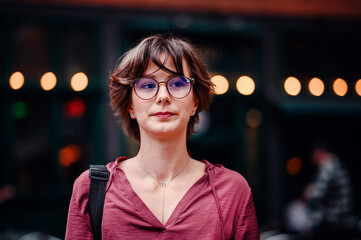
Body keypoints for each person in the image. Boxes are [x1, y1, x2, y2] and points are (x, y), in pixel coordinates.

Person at [65, 34, 259, 239]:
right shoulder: (92, 189)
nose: (163, 96)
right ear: (130, 105)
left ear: (194, 103)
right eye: (147, 85)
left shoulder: (232, 191)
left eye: (177, 84)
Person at [306, 146, 355, 240]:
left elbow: (318, 195)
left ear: (318, 154)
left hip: (334, 220)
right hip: (344, 219)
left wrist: (309, 193)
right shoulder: (337, 164)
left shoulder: (327, 167)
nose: (315, 163)